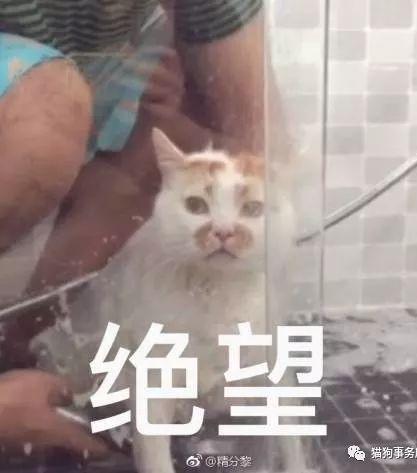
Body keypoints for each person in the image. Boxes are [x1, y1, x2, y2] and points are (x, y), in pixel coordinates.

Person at [0, 0, 283, 458]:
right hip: (36, 101)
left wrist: (178, 127)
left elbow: (265, 149)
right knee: (47, 108)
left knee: (172, 141)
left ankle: (19, 348)